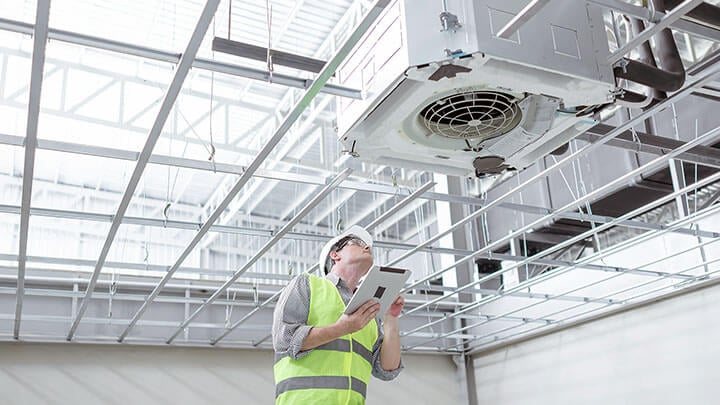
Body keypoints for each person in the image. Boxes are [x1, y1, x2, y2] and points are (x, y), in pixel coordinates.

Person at [272, 225, 405, 404]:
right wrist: (343, 328)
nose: (367, 247)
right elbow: (285, 339)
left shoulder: (369, 310)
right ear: (335, 254)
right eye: (357, 243)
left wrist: (391, 318)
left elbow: (387, 369)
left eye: (368, 246)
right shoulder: (307, 284)